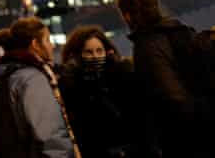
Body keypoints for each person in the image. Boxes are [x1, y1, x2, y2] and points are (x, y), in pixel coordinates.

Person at [115, 0, 215, 157]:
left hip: (184, 139)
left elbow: (172, 97)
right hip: (209, 129)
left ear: (128, 15)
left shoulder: (147, 45)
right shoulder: (183, 31)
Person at [0, 17, 75, 158]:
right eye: (47, 40)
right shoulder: (32, 78)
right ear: (35, 44)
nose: (52, 46)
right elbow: (49, 135)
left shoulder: (5, 74)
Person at [58, 25, 157, 158]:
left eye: (99, 51)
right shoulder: (71, 86)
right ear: (76, 56)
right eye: (88, 52)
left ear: (107, 51)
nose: (95, 56)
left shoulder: (124, 78)